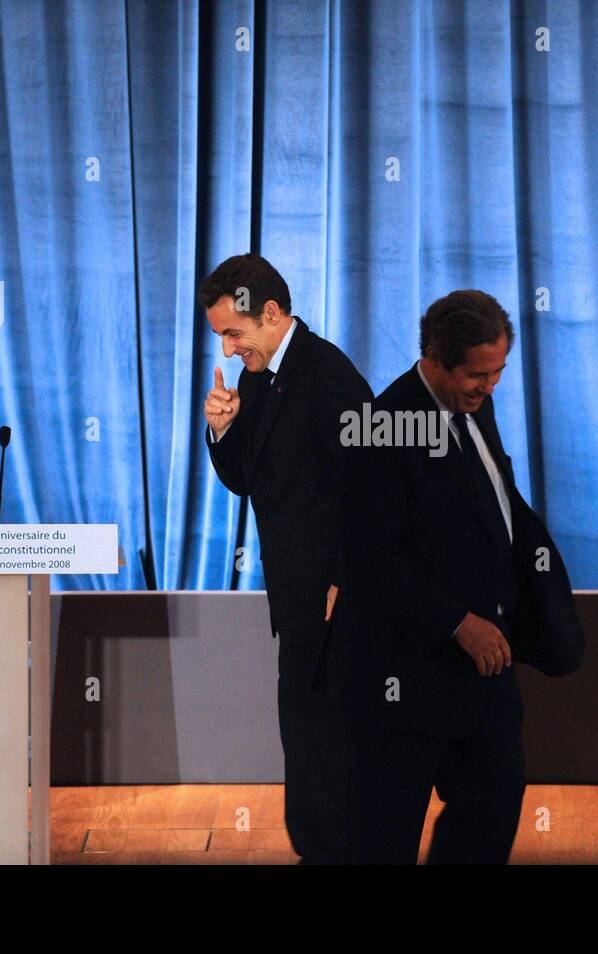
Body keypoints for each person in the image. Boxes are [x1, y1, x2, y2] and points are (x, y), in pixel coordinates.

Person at [335, 288, 528, 864]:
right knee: (384, 837)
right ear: (434, 360)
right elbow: (371, 558)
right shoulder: (380, 429)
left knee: (493, 804)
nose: (489, 387)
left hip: (483, 667)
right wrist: (456, 622)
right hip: (403, 674)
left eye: (497, 372)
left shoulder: (475, 405)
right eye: (476, 374)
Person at [199, 253, 372, 864]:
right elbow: (248, 478)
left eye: (232, 333)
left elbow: (375, 490)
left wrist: (345, 583)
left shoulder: (329, 378)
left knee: (327, 739)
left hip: (336, 601)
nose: (226, 349)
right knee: (303, 731)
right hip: (297, 597)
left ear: (270, 314)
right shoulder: (258, 374)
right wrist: (222, 432)